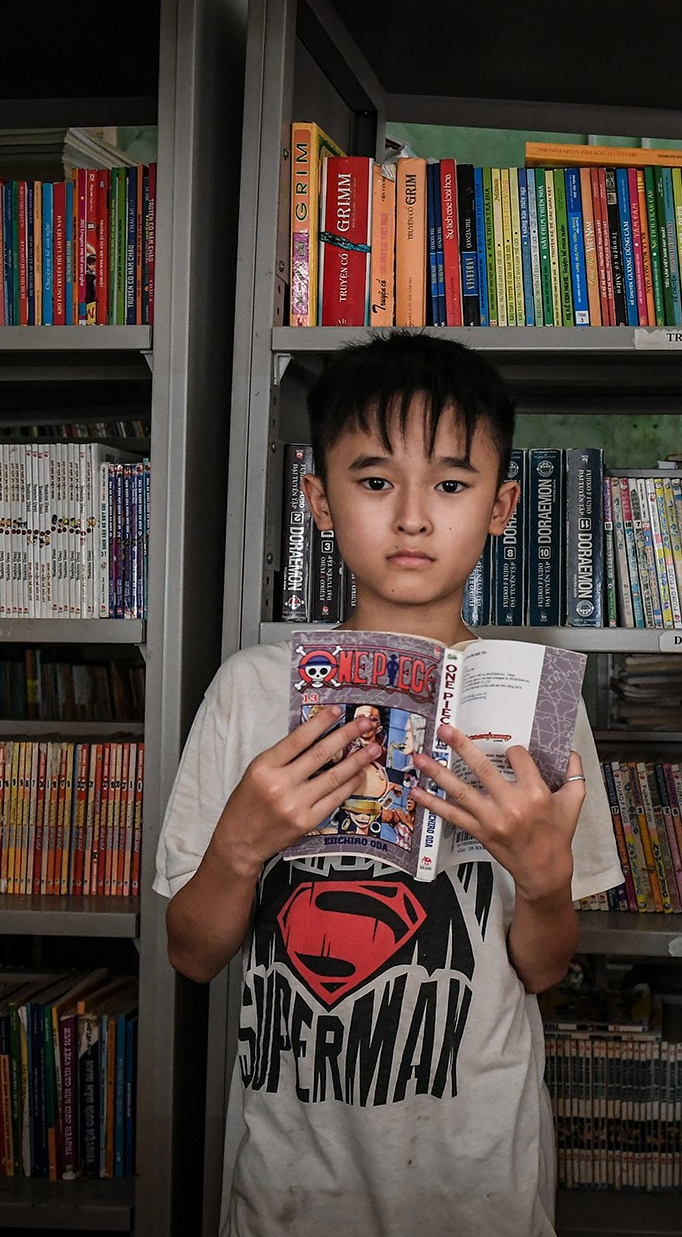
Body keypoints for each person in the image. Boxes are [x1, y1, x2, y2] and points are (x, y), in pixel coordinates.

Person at [155, 332, 623, 1237]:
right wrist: (243, 844)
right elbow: (191, 954)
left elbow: (545, 966)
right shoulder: (251, 691)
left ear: (501, 506)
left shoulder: (541, 707)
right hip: (290, 1179)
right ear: (318, 501)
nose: (413, 517)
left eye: (452, 484)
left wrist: (543, 877)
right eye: (374, 482)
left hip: (477, 1175)